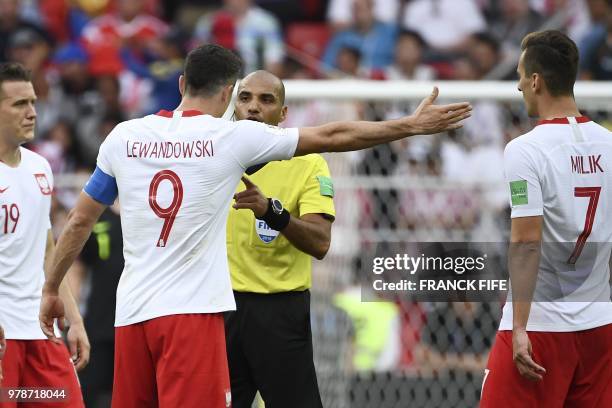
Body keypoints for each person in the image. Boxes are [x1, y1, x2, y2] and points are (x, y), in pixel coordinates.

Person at [38, 44, 471, 407]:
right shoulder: (229, 140)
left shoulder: (123, 135)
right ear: (230, 94)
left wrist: (52, 288)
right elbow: (338, 134)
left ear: (181, 84)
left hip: (134, 314)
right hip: (196, 314)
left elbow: (78, 220)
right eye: (245, 97)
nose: (253, 108)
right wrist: (409, 126)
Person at [480, 30, 612, 407]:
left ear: (536, 81)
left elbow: (525, 241)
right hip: (598, 329)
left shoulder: (525, 150)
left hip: (541, 327)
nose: (519, 85)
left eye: (521, 75)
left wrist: (519, 327)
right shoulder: (609, 145)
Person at [225, 70, 334, 408]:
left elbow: (320, 243)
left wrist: (272, 212)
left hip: (280, 312)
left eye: (266, 99)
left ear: (283, 114)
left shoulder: (308, 163)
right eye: (245, 98)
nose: (253, 107)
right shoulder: (214, 156)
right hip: (220, 308)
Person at [0, 62, 88, 406]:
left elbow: (47, 251)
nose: (32, 113)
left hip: (41, 334)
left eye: (33, 102)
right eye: (19, 104)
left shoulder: (41, 168)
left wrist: (75, 320)